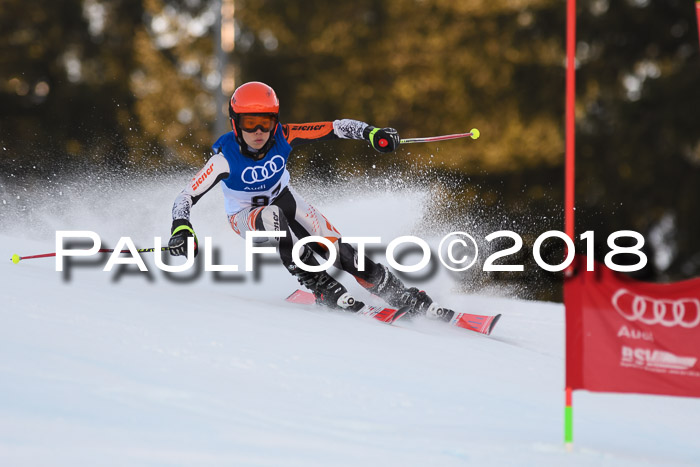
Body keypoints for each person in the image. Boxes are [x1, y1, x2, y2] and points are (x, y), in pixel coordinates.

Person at [168, 81, 453, 321]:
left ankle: (396, 291)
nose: (258, 132)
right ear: (235, 123)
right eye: (249, 123)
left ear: (274, 121)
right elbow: (186, 196)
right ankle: (320, 285)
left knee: (342, 253)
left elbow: (337, 127)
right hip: (246, 217)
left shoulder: (285, 135)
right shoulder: (223, 159)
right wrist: (181, 228)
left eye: (265, 123)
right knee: (273, 218)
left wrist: (372, 133)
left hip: (286, 199)